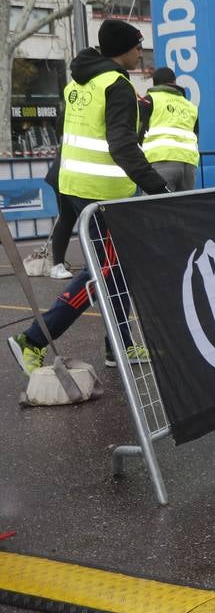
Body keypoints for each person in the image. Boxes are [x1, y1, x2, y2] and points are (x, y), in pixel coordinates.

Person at [8, 19, 171, 376]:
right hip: (104, 193)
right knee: (106, 271)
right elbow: (123, 145)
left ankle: (120, 346)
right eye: (136, 46)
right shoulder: (117, 85)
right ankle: (33, 340)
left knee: (116, 272)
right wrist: (159, 187)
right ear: (122, 50)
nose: (140, 52)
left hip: (74, 185)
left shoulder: (79, 82)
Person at [141, 67, 200, 192]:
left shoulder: (149, 100)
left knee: (156, 207)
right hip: (189, 164)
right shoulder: (190, 106)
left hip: (161, 160)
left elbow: (138, 130)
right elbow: (196, 134)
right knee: (183, 207)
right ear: (174, 82)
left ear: (154, 83)